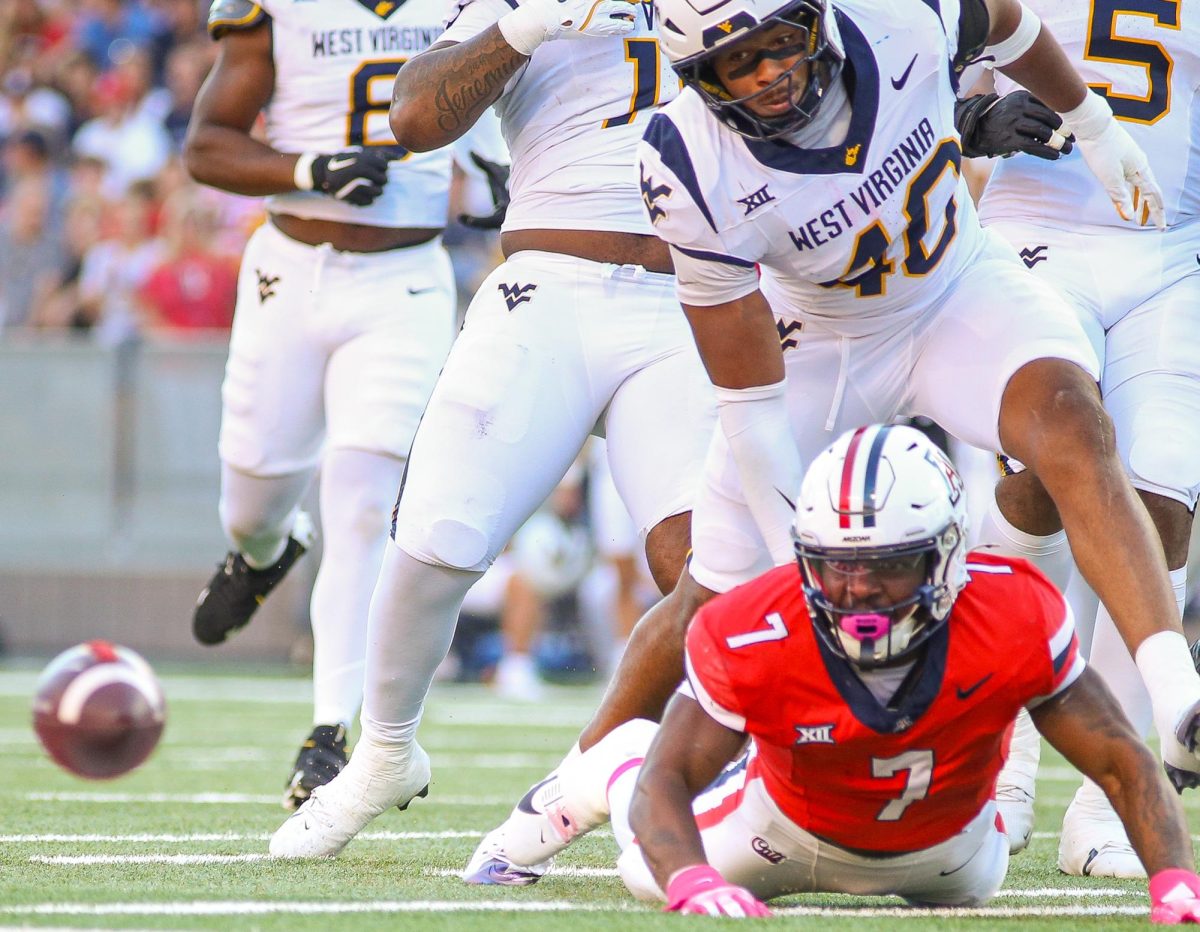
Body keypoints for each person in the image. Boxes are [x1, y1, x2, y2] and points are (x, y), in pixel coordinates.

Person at [461, 0, 1200, 883]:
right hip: (814, 344)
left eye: (779, 45)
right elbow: (750, 405)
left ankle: (1178, 698)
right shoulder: (686, 159)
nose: (770, 73)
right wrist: (795, 586)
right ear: (702, 81)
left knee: (1076, 428)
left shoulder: (896, 16)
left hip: (958, 293)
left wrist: (1091, 121)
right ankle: (572, 783)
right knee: (712, 592)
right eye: (739, 64)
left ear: (812, 22)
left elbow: (1005, 22)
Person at [268, 0, 718, 857]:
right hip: (547, 288)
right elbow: (414, 117)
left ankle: (599, 776)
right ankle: (384, 753)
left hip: (696, 298)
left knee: (705, 566)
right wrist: (535, 19)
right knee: (437, 539)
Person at [578, 426, 1200, 919]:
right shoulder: (759, 621)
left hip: (954, 855)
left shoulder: (1013, 612)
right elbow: (670, 779)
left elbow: (1122, 763)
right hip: (775, 836)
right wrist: (690, 879)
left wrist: (1176, 881)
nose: (860, 591)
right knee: (648, 868)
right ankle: (613, 762)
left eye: (890, 564)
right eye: (836, 565)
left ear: (947, 554)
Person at [183, 0, 503, 809]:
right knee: (251, 495)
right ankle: (263, 552)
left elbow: (502, 109)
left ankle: (329, 733)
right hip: (289, 272)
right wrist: (310, 169)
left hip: (404, 279)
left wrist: (496, 173)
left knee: (362, 504)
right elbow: (207, 145)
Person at [969, 0, 1200, 878]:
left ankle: (1111, 795)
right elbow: (898, 89)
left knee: (1163, 493)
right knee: (1040, 471)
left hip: (1176, 251)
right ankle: (1008, 757)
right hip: (1036, 234)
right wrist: (971, 123)